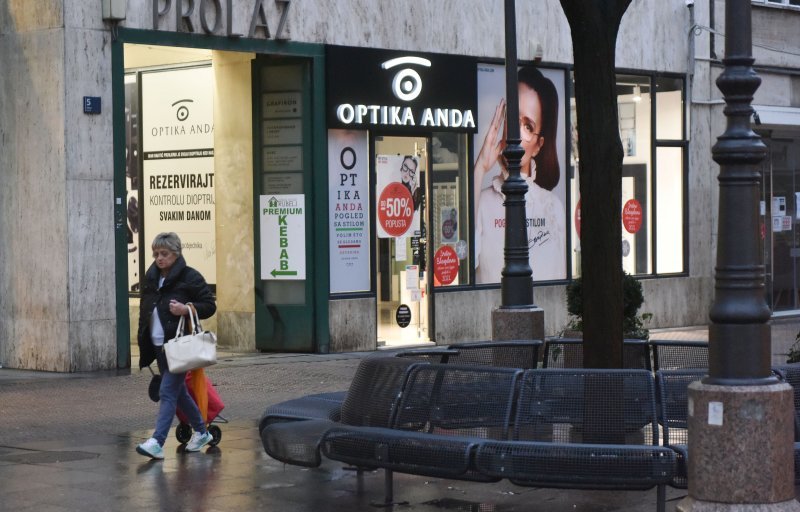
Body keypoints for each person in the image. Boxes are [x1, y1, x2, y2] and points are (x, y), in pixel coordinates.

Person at [474, 66, 566, 283]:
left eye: (527, 126)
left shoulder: (552, 207)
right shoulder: (483, 202)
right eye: (513, 119)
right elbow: (462, 257)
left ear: (538, 145)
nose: (515, 133)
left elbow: (559, 279)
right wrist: (479, 169)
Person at [136, 232, 217, 459]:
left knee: (168, 391)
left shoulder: (189, 276)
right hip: (158, 345)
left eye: (164, 254)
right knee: (180, 393)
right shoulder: (152, 277)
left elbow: (209, 305)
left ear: (176, 254)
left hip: (178, 345)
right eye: (156, 254)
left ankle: (157, 441)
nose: (159, 258)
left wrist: (186, 308)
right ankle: (202, 432)